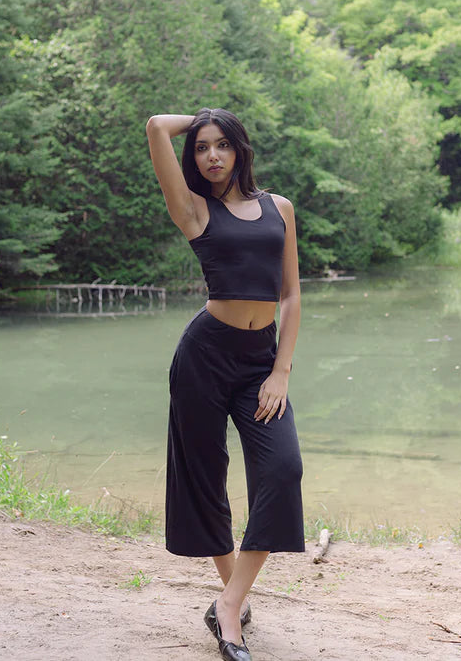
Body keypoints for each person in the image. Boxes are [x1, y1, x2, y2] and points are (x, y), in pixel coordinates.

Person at [146, 109, 305, 661]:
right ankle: (232, 604)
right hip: (204, 357)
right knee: (206, 478)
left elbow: (289, 296)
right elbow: (154, 127)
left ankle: (229, 603)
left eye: (221, 145)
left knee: (283, 470)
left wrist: (281, 370)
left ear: (239, 148)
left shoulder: (278, 208)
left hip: (261, 361)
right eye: (202, 147)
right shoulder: (194, 210)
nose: (211, 156)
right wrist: (198, 118)